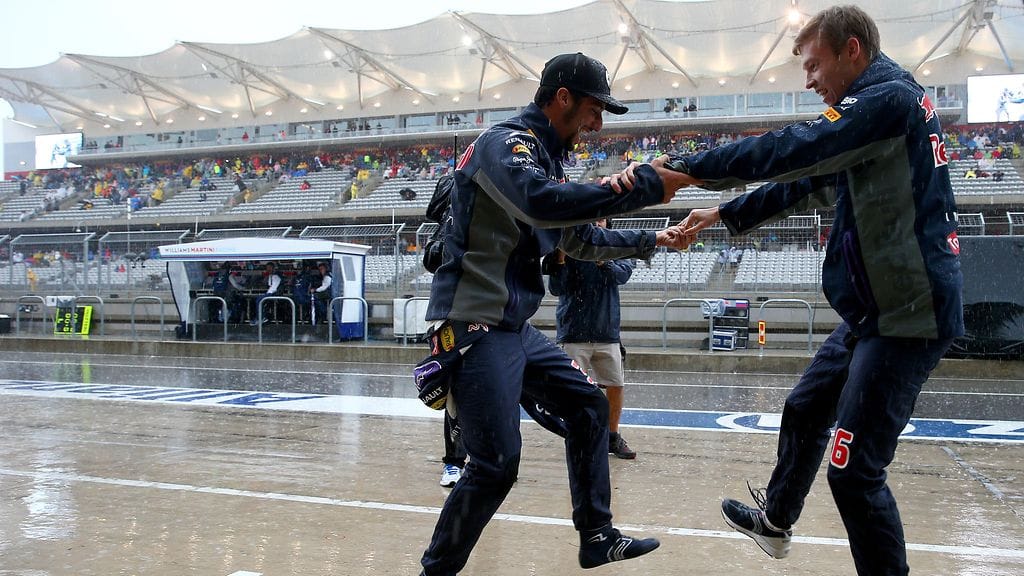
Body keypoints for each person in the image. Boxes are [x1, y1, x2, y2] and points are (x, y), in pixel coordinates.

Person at [665, 7, 964, 576]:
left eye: (814, 64)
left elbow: (794, 150)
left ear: (852, 50)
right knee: (804, 409)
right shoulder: (875, 114)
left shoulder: (887, 101)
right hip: (876, 311)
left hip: (909, 316)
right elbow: (808, 180)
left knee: (855, 475)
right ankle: (776, 522)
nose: (809, 80)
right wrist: (723, 214)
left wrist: (685, 168)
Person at [417, 52, 690, 576]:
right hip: (471, 323)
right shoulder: (507, 144)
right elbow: (543, 205)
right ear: (561, 98)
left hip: (511, 328)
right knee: (496, 465)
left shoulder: (546, 159)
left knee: (589, 408)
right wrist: (634, 185)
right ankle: (436, 571)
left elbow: (579, 239)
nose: (597, 124)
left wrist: (651, 239)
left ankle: (597, 536)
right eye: (593, 110)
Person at [547, 218, 636, 459]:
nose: (597, 222)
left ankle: (612, 436)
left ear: (607, 221)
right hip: (573, 332)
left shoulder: (616, 244)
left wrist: (602, 260)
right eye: (592, 217)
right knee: (571, 389)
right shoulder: (569, 244)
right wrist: (562, 258)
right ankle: (577, 435)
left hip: (607, 331)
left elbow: (623, 274)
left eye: (601, 218)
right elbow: (556, 287)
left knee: (615, 385)